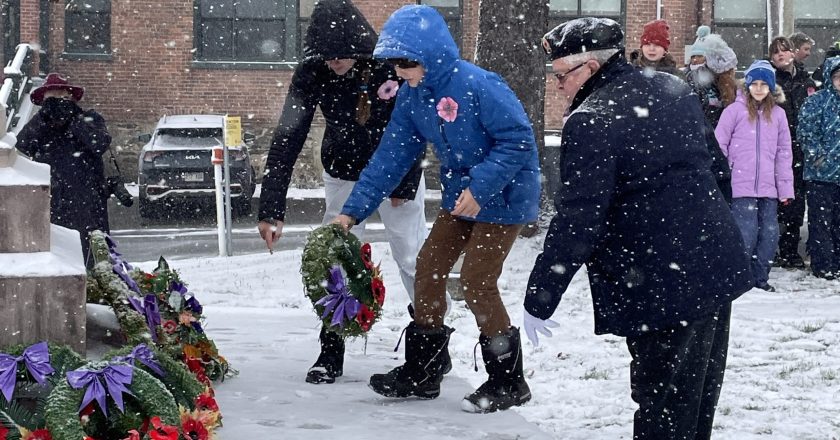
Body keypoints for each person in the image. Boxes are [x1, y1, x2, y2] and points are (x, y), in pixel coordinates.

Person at [526, 18, 753, 439]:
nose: (557, 87)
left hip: (659, 279)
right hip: (711, 264)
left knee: (663, 404)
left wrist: (541, 294)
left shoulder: (591, 119)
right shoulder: (672, 88)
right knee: (695, 397)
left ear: (590, 68)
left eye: (561, 76)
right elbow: (717, 171)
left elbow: (579, 218)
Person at [332, 5, 540, 413]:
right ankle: (424, 369)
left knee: (477, 281)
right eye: (395, 64)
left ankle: (508, 381)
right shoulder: (413, 97)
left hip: (505, 195)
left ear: (431, 55)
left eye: (407, 63)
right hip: (460, 196)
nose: (400, 72)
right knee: (428, 267)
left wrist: (481, 187)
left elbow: (517, 140)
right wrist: (352, 212)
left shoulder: (479, 84)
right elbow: (390, 158)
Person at [257, 0, 429, 385]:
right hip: (344, 172)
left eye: (341, 54)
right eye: (327, 55)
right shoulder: (313, 71)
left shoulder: (388, 67)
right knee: (336, 258)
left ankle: (431, 346)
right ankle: (331, 349)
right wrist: (270, 209)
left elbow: (414, 126)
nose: (334, 62)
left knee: (411, 256)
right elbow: (288, 137)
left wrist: (403, 183)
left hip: (395, 173)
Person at [16, 73, 112, 268]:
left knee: (92, 252)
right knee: (56, 252)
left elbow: (99, 143)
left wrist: (73, 118)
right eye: (51, 99)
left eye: (61, 97)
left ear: (70, 98)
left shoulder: (88, 119)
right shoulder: (41, 124)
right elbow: (22, 145)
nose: (57, 103)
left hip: (87, 196)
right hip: (54, 197)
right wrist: (44, 117)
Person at [715, 60, 794, 292]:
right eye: (754, 83)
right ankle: (742, 279)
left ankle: (761, 278)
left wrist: (785, 188)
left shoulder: (778, 115)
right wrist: (724, 177)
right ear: (747, 85)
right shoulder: (733, 111)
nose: (759, 88)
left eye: (764, 84)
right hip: (740, 186)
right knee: (745, 234)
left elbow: (784, 153)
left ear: (771, 87)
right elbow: (719, 146)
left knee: (769, 235)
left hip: (769, 188)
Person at [768, 36, 816, 269]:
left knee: (796, 204)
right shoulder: (768, 81)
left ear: (792, 53)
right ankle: (773, 249)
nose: (780, 55)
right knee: (777, 202)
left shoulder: (806, 81)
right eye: (775, 52)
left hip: (800, 151)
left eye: (784, 50)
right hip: (776, 149)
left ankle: (790, 250)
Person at [797, 56, 840, 280]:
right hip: (820, 176)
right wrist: (818, 158)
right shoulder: (816, 102)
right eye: (837, 77)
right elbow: (806, 133)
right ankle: (823, 265)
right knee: (821, 223)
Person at [685, 28, 739, 203]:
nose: (695, 60)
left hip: (719, 147)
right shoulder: (694, 80)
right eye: (693, 57)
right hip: (704, 145)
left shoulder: (727, 87)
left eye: (699, 56)